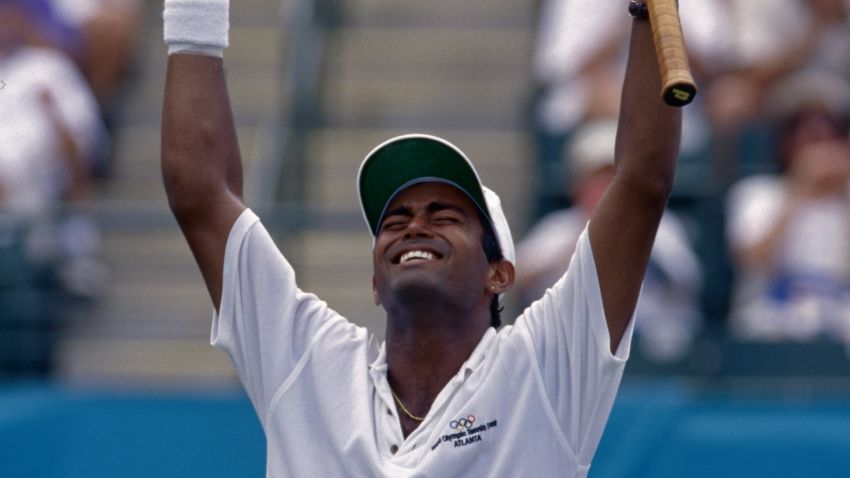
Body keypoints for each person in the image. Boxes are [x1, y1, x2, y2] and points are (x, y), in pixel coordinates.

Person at [161, 0, 681, 475]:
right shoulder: (308, 362)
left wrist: (648, 10)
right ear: (373, 281)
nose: (414, 226)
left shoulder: (544, 370)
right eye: (394, 221)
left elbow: (640, 182)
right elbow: (201, 193)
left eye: (444, 215)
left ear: (498, 274)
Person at [516, 120, 702, 362]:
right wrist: (577, 249)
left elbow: (687, 283)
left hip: (653, 354)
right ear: (577, 186)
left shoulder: (661, 226)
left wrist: (634, 242)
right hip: (573, 354)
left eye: (613, 178)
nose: (606, 188)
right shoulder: (558, 228)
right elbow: (514, 279)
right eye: (597, 179)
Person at [726, 71, 850, 342]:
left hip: (838, 316)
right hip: (771, 318)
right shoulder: (758, 192)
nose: (819, 152)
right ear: (786, 143)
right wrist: (800, 189)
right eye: (807, 138)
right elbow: (751, 260)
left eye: (827, 136)